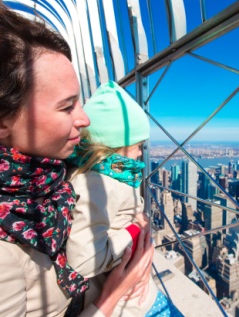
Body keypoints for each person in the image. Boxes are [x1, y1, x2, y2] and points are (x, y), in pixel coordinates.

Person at [0, 0, 153, 317]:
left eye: (80, 103)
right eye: (67, 106)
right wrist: (112, 297)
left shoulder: (49, 183)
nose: (85, 120)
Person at [66, 81, 182, 316]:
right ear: (114, 146)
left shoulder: (107, 177)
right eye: (137, 145)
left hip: (134, 297)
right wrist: (136, 229)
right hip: (127, 307)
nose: (140, 153)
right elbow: (84, 260)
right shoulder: (96, 184)